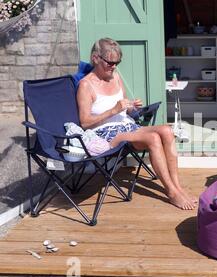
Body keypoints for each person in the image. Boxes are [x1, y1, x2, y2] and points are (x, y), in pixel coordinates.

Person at [77, 38, 197, 210]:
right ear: (96, 58)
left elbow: (126, 112)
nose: (114, 66)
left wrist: (132, 107)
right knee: (153, 138)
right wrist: (113, 110)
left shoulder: (115, 77)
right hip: (107, 134)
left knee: (167, 130)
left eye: (117, 62)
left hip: (127, 126)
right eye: (110, 62)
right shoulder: (86, 85)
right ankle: (171, 192)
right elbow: (84, 122)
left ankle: (177, 186)